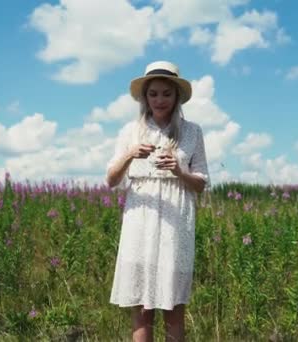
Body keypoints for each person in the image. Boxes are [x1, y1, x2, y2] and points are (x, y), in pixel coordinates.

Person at [106, 60, 210, 342]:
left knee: (174, 308)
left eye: (166, 93)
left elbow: (201, 184)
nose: (160, 100)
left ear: (177, 96)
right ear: (145, 97)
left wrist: (179, 170)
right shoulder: (130, 132)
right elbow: (111, 180)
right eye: (153, 93)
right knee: (141, 308)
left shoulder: (192, 132)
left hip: (176, 223)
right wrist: (129, 155)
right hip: (140, 221)